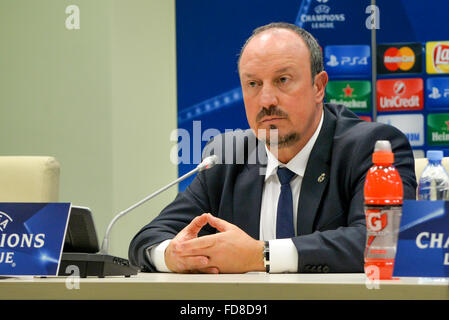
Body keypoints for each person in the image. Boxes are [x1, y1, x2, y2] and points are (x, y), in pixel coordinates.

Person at [128, 22, 417, 274]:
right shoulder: (227, 156)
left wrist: (260, 255)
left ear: (319, 87)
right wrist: (172, 255)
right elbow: (148, 239)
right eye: (253, 84)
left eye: (282, 80)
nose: (266, 99)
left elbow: (382, 240)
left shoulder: (371, 148)